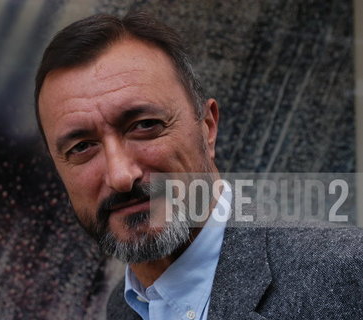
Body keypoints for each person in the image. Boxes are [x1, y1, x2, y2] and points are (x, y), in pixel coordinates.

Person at [34, 11, 363, 320]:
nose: (121, 176)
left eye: (144, 126)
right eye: (82, 147)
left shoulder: (344, 274)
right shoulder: (124, 306)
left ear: (207, 127)